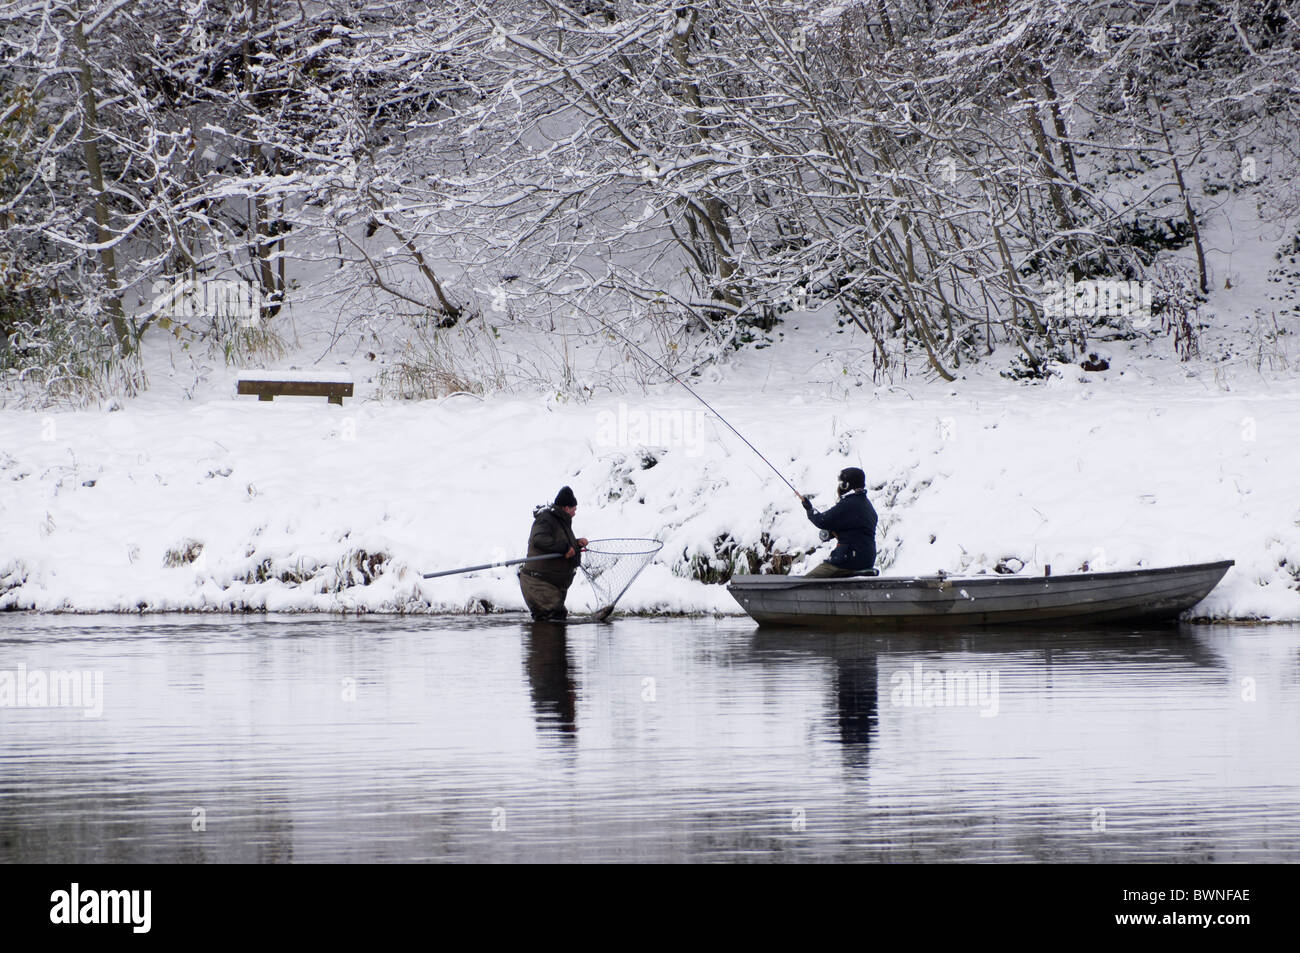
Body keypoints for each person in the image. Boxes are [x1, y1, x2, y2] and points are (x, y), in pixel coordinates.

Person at [519, 486, 588, 621]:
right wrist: (564, 548)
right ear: (566, 508)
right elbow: (539, 539)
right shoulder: (546, 519)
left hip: (552, 584)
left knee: (555, 621)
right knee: (553, 621)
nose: (575, 513)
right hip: (538, 583)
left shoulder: (561, 521)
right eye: (574, 509)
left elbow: (559, 541)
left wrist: (576, 543)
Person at [799, 467, 878, 578]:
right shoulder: (867, 505)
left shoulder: (849, 504)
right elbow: (854, 530)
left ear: (846, 485)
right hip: (867, 559)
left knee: (807, 582)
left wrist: (809, 509)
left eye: (841, 483)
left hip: (849, 560)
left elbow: (822, 520)